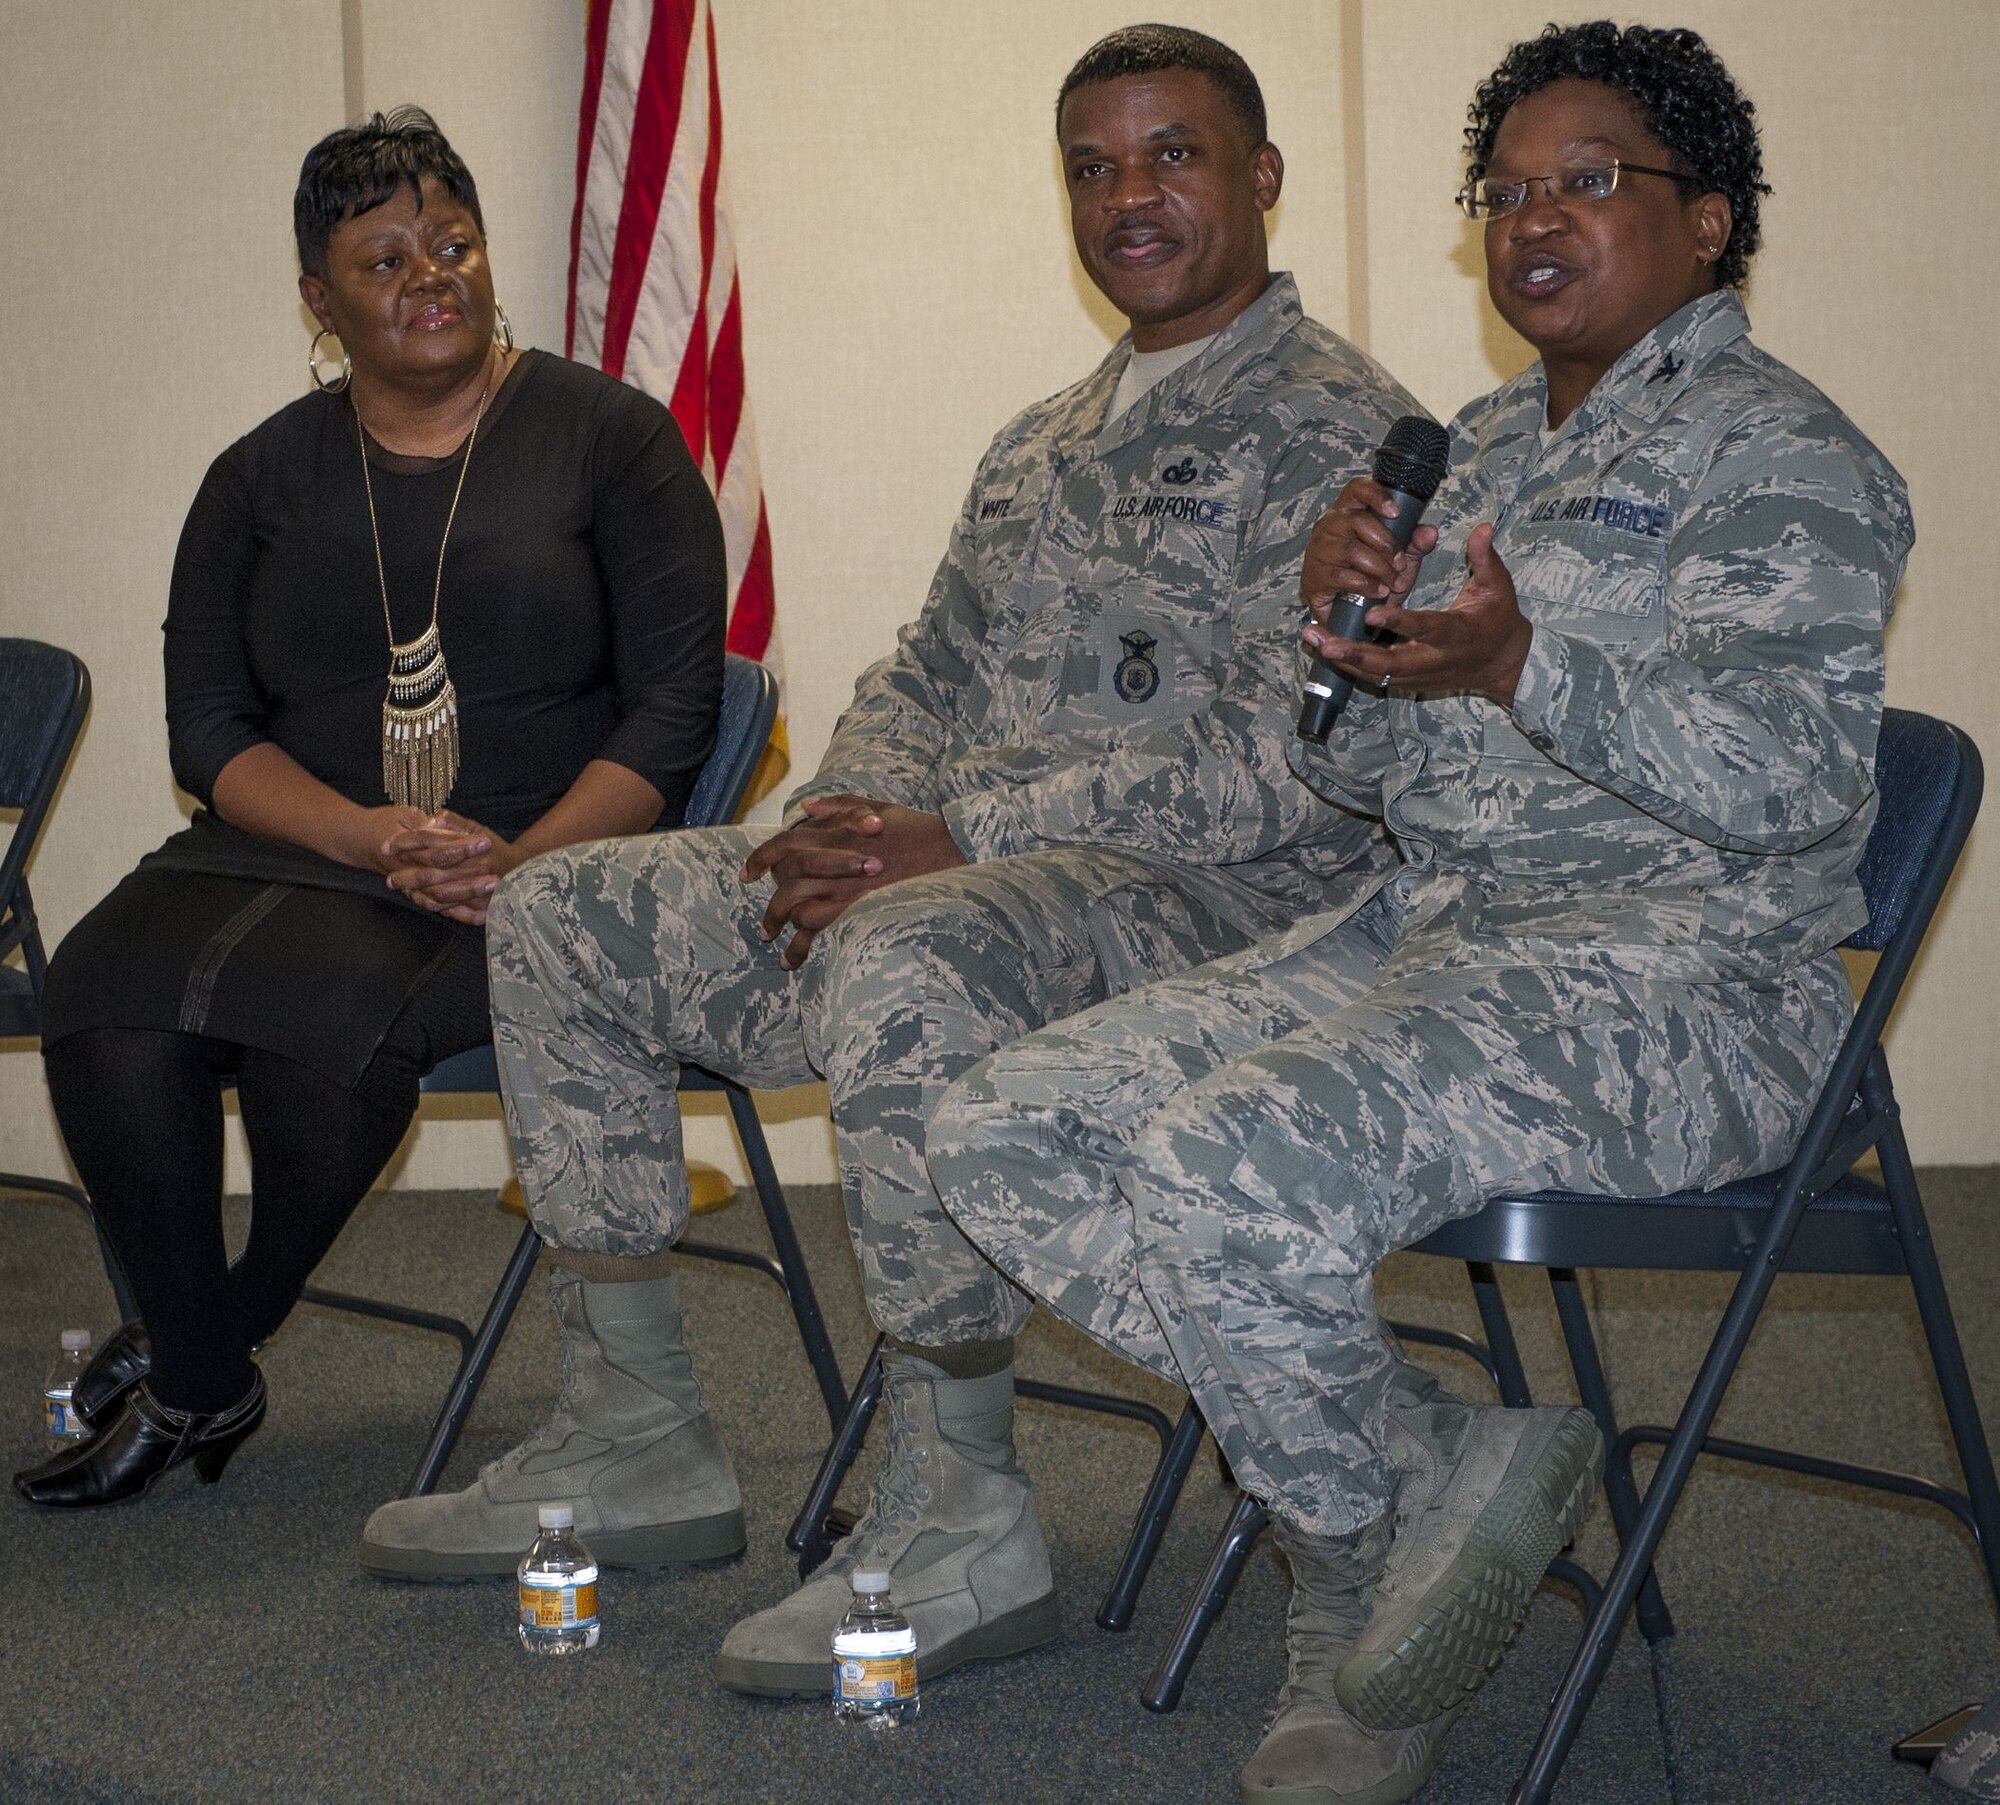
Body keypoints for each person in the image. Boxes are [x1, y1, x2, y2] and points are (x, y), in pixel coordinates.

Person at [357, 23, 1417, 1686]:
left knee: (914, 954)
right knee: (564, 910)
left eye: (1173, 156)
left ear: (1262, 179)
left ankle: (963, 1508)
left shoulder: (1346, 441)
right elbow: (926, 669)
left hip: (1217, 929)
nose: (1127, 197)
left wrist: (952, 841)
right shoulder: (1043, 438)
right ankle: (635, 1431)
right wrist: (843, 824)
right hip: (953, 881)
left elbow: (1296, 769)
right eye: (1092, 166)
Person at [929, 20, 1910, 1802]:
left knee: (1227, 1161)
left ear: (1710, 222)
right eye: (1509, 192)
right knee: (997, 1125)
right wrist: (1345, 655)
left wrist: (1531, 663)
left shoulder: (1787, 458)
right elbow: (1374, 780)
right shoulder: (1465, 447)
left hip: (1687, 982)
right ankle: (1425, 1465)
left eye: (1590, 182)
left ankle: (1350, 1608)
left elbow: (1796, 784)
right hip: (1437, 938)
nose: (1536, 222)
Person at [13, 109, 726, 1509]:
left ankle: (198, 1342)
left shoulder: (614, 442)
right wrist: (363, 833)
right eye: (384, 255)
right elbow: (208, 731)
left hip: (533, 858)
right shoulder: (257, 476)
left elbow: (674, 715)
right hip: (283, 843)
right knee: (103, 993)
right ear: (317, 300)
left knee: (316, 1042)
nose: (429, 274)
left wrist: (515, 860)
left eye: (450, 241)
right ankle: (210, 1370)